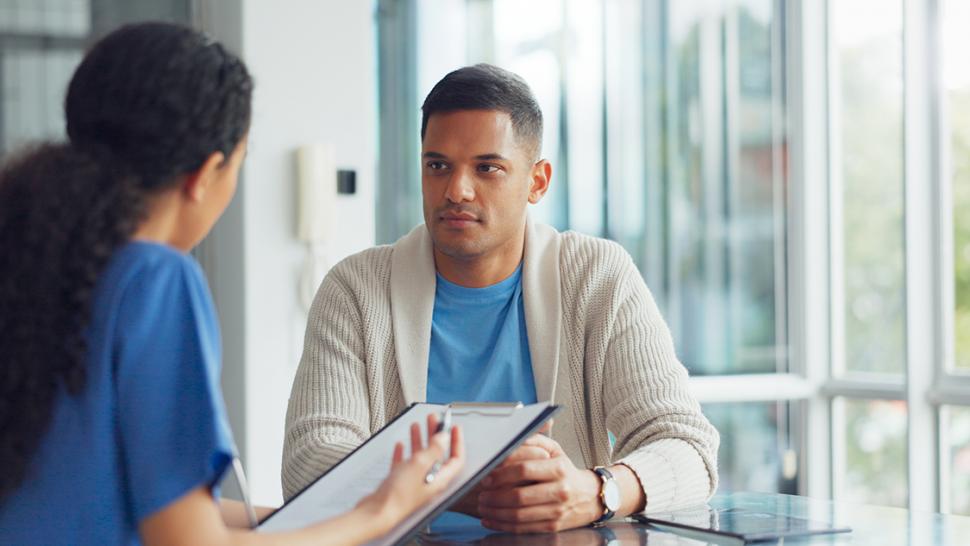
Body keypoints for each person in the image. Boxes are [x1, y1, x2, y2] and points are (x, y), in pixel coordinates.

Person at [0, 22, 463, 546]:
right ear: (206, 173)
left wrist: (327, 513)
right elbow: (189, 541)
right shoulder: (155, 280)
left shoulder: (31, 263)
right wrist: (383, 513)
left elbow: (147, 505)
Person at [282, 63, 719, 534]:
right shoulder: (354, 289)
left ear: (537, 181)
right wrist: (465, 485)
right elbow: (310, 462)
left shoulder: (597, 277)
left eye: (487, 168)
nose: (456, 190)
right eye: (438, 166)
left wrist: (595, 492)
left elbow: (686, 446)